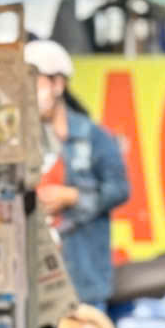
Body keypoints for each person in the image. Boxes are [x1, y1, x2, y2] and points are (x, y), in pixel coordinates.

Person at [28, 36, 131, 306]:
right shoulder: (20, 141)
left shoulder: (93, 137)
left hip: (82, 280)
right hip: (37, 284)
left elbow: (120, 189)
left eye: (34, 81)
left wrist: (71, 196)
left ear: (58, 84)